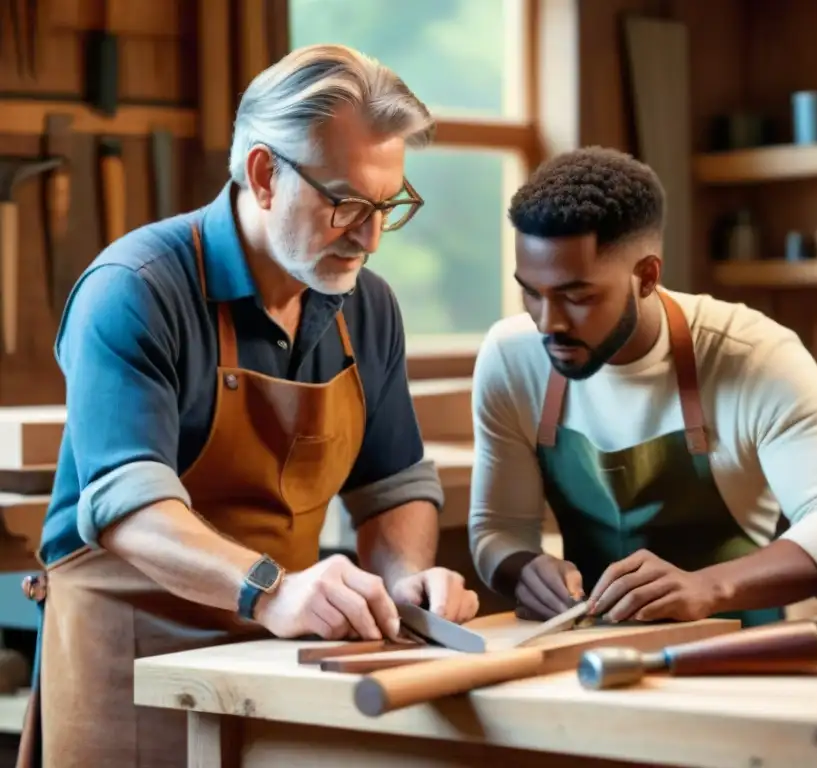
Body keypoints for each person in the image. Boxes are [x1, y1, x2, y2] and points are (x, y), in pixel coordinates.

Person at [16, 44, 478, 768]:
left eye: (389, 205)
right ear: (264, 175)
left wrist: (403, 579)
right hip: (128, 673)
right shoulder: (135, 288)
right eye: (347, 203)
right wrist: (269, 590)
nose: (370, 236)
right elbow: (128, 503)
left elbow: (394, 486)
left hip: (275, 671)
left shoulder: (368, 306)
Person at [467, 147, 817, 627]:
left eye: (577, 296)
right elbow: (497, 529)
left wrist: (707, 587)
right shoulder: (512, 357)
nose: (549, 323)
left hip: (738, 654)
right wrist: (524, 569)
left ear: (647, 276)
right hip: (587, 653)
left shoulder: (752, 355)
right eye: (531, 291)